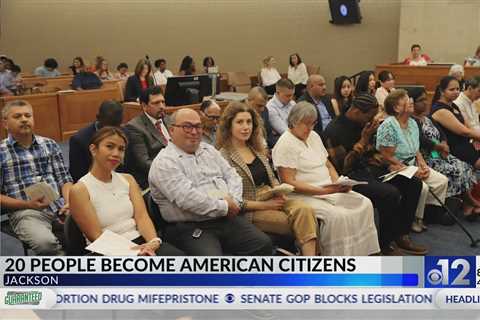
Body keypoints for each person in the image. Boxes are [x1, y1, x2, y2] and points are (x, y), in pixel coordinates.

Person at [148, 108, 273, 256]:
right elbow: (188, 199)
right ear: (172, 130)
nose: (194, 132)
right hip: (189, 226)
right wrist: (226, 206)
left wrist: (235, 201)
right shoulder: (165, 162)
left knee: (263, 244)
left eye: (198, 126)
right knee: (212, 264)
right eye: (187, 126)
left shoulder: (209, 150)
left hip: (225, 218)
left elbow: (233, 176)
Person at [272, 102, 380, 256]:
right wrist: (323, 190)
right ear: (293, 122)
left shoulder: (314, 136)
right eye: (306, 124)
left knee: (365, 203)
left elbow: (327, 164)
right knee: (338, 216)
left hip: (329, 188)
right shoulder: (285, 143)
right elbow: (288, 182)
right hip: (304, 194)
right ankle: (337, 259)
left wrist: (338, 182)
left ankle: (360, 254)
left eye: (313, 124)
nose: (310, 128)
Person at [324, 94, 427, 254]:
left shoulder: (366, 123)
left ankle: (401, 234)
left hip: (370, 169)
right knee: (390, 193)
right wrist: (363, 140)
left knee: (413, 183)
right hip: (350, 177)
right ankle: (385, 244)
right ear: (357, 111)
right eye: (369, 116)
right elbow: (342, 167)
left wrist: (391, 165)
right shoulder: (334, 130)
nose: (371, 119)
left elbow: (375, 153)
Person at [217, 102, 319, 256]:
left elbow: (272, 178)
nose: (246, 127)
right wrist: (266, 205)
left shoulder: (256, 149)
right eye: (239, 122)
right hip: (250, 207)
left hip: (272, 196)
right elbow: (233, 200)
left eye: (249, 122)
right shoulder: (223, 155)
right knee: (297, 222)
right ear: (229, 126)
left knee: (307, 210)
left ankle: (309, 265)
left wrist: (280, 190)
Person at [69, 127, 184, 256]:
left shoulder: (128, 179)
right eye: (110, 146)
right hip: (107, 251)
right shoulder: (79, 190)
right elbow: (97, 236)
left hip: (140, 242)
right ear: (93, 149)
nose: (116, 153)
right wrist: (134, 253)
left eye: (121, 149)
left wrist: (153, 242)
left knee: (181, 261)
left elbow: (142, 218)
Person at [0, 100, 73, 255]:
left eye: (28, 115)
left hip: (60, 206)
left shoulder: (49, 144)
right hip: (25, 211)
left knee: (95, 225)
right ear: (5, 124)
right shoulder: (1, 152)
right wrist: (27, 204)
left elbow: (64, 179)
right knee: (45, 244)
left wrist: (69, 201)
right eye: (17, 116)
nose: (24, 119)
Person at [376, 89, 449, 231]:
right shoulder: (389, 125)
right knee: (422, 187)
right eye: (405, 99)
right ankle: (412, 220)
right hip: (393, 168)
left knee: (441, 181)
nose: (410, 100)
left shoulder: (413, 123)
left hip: (412, 164)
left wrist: (422, 164)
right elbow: (386, 157)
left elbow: (416, 149)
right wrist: (411, 171)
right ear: (396, 108)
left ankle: (421, 214)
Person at [410, 86, 479, 220]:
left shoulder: (427, 118)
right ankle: (467, 201)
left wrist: (444, 143)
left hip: (440, 152)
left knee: (465, 166)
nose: (425, 102)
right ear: (412, 102)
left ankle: (465, 203)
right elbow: (421, 140)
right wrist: (437, 146)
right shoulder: (412, 120)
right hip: (427, 157)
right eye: (421, 100)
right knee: (455, 170)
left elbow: (441, 132)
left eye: (426, 99)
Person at [124, 86, 169, 190]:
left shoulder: (169, 119)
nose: (162, 106)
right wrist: (171, 171)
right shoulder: (134, 127)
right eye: (156, 103)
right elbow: (144, 162)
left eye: (163, 102)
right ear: (144, 106)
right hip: (155, 178)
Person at [431, 76, 480, 169]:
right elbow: (464, 131)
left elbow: (468, 127)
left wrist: (476, 139)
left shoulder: (454, 105)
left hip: (465, 143)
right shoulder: (440, 110)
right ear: (442, 91)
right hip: (453, 147)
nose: (456, 92)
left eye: (458, 89)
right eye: (452, 89)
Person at [69, 100, 124, 182]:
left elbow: (127, 167)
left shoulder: (125, 134)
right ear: (98, 118)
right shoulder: (79, 140)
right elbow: (78, 176)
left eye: (116, 125)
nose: (113, 130)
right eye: (108, 125)